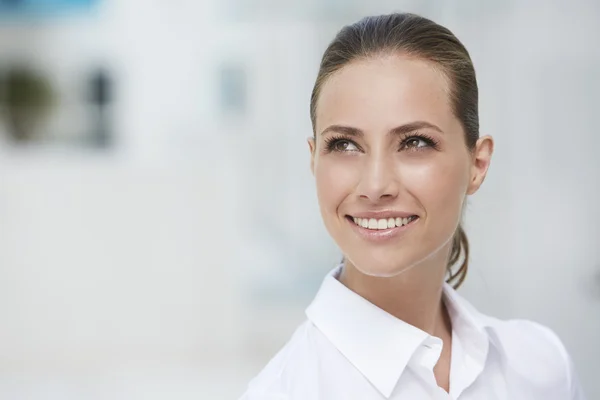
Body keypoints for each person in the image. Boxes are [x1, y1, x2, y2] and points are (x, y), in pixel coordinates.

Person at [240, 12, 586, 399]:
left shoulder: (540, 368)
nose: (375, 186)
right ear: (313, 159)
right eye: (345, 145)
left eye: (415, 143)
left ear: (478, 163)